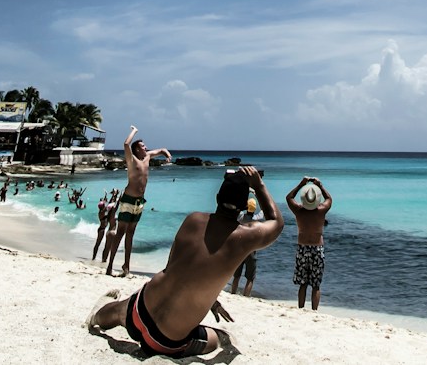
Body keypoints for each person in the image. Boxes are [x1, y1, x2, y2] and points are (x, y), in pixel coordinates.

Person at [85, 166, 282, 357]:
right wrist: (259, 186)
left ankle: (95, 318)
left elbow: (176, 268)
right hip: (165, 341)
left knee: (120, 311)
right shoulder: (244, 238)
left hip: (139, 310)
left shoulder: (193, 220)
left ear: (217, 198)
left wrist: (211, 301)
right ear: (243, 206)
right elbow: (276, 222)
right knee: (223, 337)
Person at [103, 125, 171, 276]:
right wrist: (134, 131)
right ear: (137, 150)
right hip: (128, 200)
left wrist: (167, 155)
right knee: (121, 232)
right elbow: (126, 144)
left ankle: (126, 266)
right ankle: (110, 266)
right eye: (143, 146)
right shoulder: (131, 160)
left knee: (131, 234)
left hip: (139, 202)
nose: (146, 147)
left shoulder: (147, 157)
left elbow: (162, 150)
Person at [285, 176, 332, 310]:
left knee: (303, 283)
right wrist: (320, 186)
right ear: (316, 199)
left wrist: (301, 184)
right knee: (316, 285)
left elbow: (289, 197)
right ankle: (314, 310)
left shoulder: (299, 211)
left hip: (303, 248)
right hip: (317, 248)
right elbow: (329, 199)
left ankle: (301, 309)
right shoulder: (321, 210)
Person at [228, 196, 262, 296]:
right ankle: (246, 296)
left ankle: (233, 293)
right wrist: (257, 195)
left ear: (246, 207)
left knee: (236, 276)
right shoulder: (257, 219)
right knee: (250, 278)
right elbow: (265, 209)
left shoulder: (240, 217)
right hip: (251, 250)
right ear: (255, 209)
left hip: (239, 249)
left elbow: (236, 208)